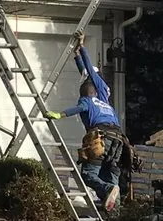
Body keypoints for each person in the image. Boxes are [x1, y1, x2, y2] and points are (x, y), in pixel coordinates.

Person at [47, 33, 123, 212]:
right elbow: (85, 70)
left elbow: (87, 70)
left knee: (89, 175)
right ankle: (113, 210)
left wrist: (60, 114)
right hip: (118, 138)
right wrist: (76, 55)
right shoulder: (104, 99)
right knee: (110, 174)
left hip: (101, 136)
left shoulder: (89, 98)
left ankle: (107, 190)